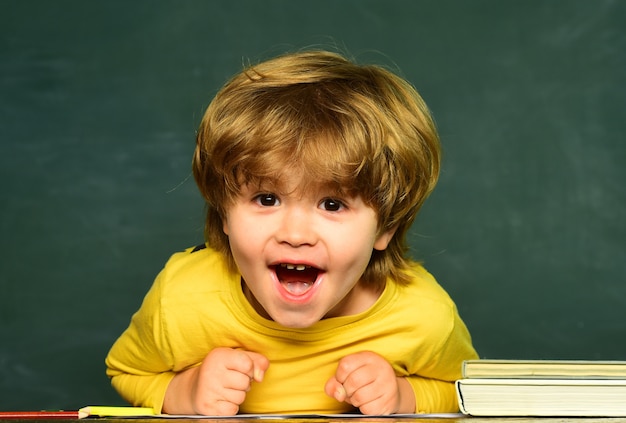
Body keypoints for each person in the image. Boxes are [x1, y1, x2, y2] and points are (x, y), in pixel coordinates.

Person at [105, 49, 478, 416]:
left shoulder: (424, 316)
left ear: (386, 227)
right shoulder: (183, 299)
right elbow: (127, 371)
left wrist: (403, 395)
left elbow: (467, 393)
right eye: (267, 199)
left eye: (333, 204)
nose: (296, 234)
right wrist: (185, 391)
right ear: (224, 215)